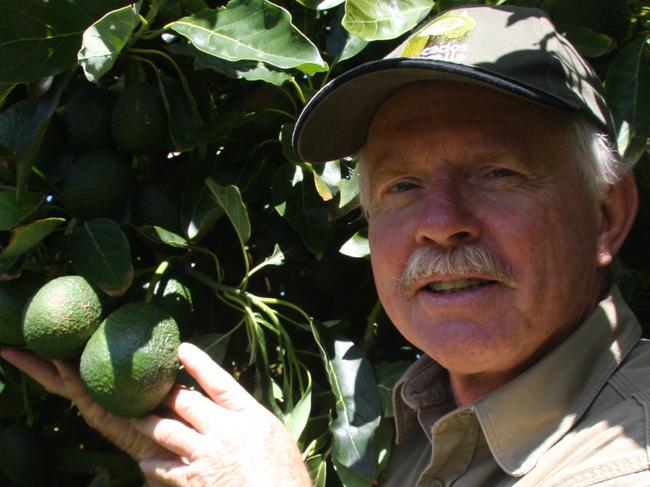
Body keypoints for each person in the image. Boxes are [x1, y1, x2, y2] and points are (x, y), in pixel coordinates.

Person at [1, 4, 648, 486]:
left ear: (606, 216)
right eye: (402, 184)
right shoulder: (440, 420)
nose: (441, 221)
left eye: (499, 173)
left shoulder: (626, 456)